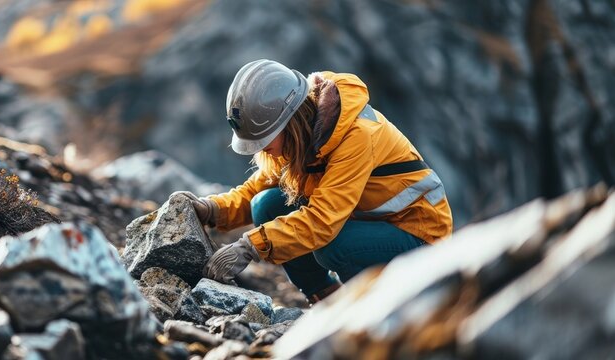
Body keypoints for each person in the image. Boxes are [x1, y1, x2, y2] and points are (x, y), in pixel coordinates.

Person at [176, 59, 453, 304]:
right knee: (267, 205)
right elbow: (256, 190)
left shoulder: (357, 136)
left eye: (263, 140)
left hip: (417, 234)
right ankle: (327, 301)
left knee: (332, 245)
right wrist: (212, 209)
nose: (259, 149)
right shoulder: (301, 136)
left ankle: (368, 311)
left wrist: (250, 247)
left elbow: (322, 222)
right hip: (368, 220)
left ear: (290, 123)